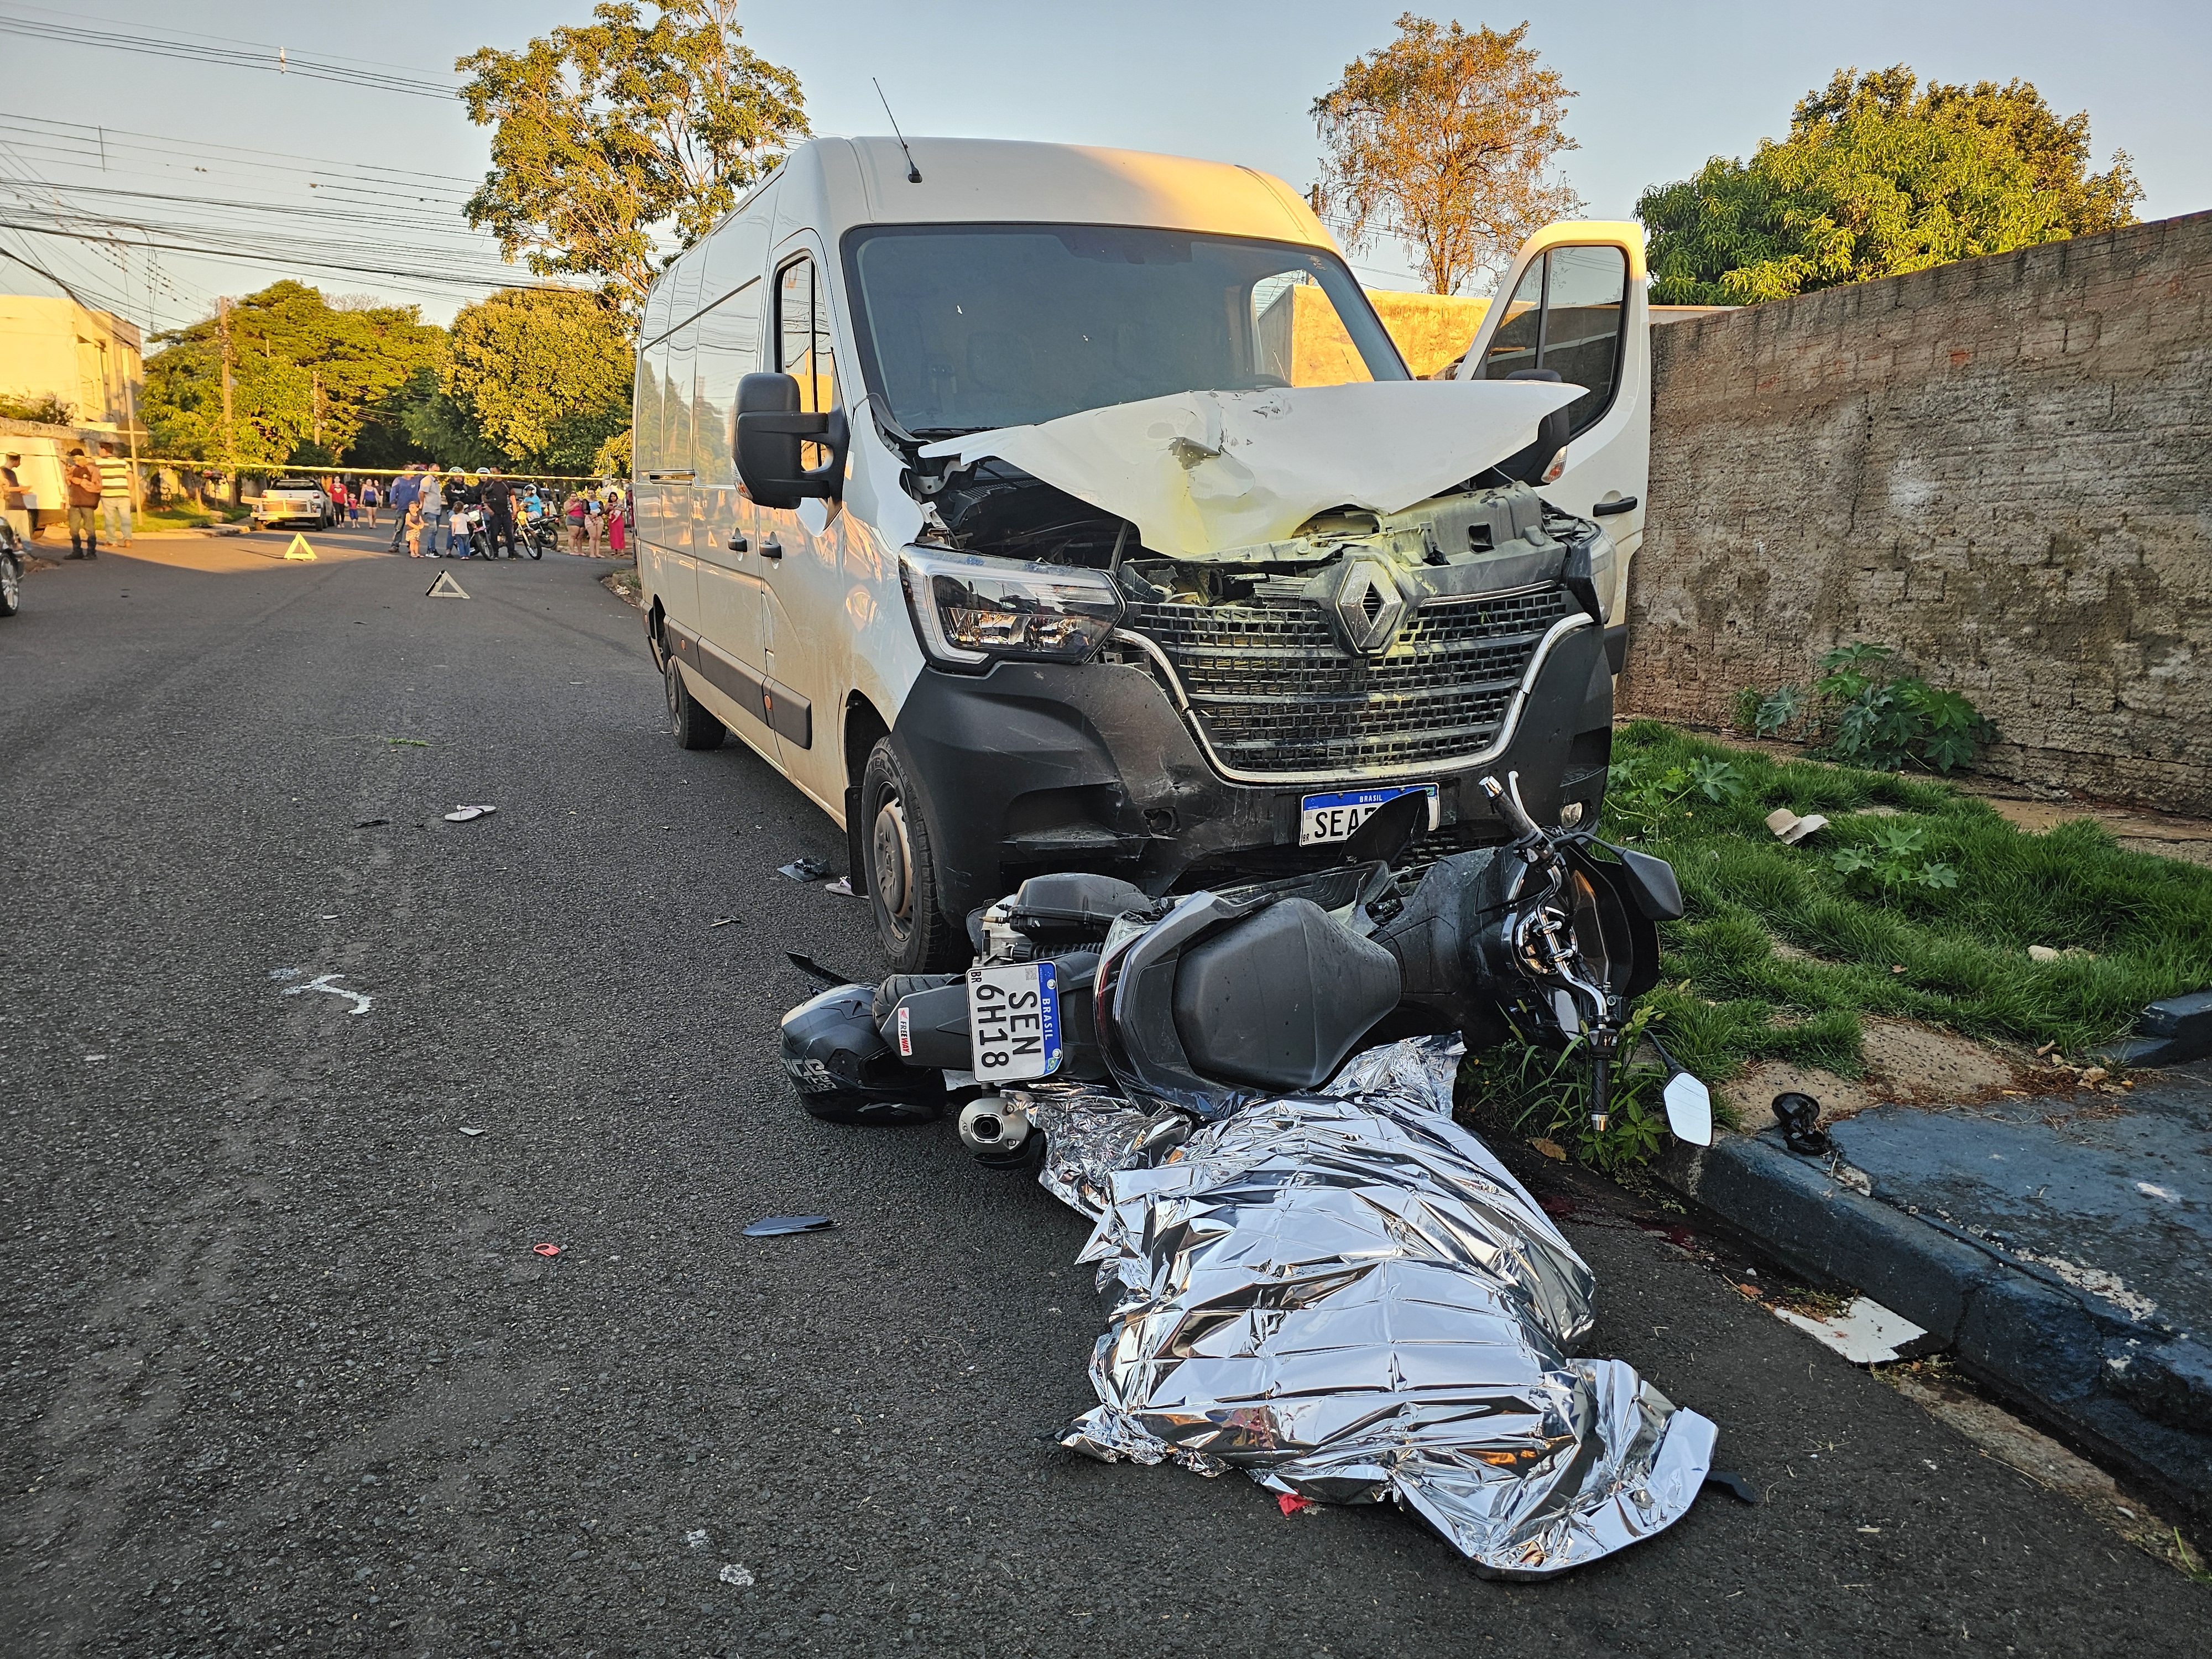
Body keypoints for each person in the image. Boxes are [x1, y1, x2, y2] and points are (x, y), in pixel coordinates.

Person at [64, 445, 101, 559]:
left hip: (88, 503)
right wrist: (68, 474)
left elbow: (98, 487)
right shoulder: (74, 469)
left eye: (78, 459)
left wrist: (81, 482)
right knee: (73, 528)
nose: (76, 462)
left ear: (84, 458)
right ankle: (77, 551)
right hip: (75, 502)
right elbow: (69, 484)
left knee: (89, 528)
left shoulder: (92, 470)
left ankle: (91, 553)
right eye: (74, 460)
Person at [96, 442, 133, 547]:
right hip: (123, 494)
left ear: (104, 450)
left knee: (109, 518)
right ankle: (128, 539)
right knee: (125, 517)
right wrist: (128, 491)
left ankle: (112, 541)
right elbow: (130, 478)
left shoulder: (98, 463)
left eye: (100, 449)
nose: (99, 451)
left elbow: (96, 478)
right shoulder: (123, 463)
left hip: (108, 494)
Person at [385, 465, 421, 552]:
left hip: (414, 508)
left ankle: (411, 546)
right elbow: (393, 491)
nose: (413, 472)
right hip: (402, 506)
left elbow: (426, 472)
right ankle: (395, 545)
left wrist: (418, 466)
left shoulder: (417, 479)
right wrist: (393, 502)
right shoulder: (398, 480)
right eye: (411, 470)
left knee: (413, 528)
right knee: (399, 527)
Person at [482, 467, 515, 558]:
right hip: (494, 513)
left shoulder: (506, 484)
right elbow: (483, 496)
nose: (493, 474)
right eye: (491, 472)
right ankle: (495, 553)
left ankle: (511, 554)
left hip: (506, 512)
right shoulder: (489, 483)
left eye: (494, 472)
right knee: (494, 534)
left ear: (499, 472)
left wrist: (515, 510)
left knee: (509, 534)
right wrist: (488, 509)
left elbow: (512, 496)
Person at [1, 452, 29, 546]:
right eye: (19, 461)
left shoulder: (12, 473)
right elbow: (4, 489)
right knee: (9, 533)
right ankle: (7, 554)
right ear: (14, 461)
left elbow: (13, 488)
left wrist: (21, 490)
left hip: (20, 506)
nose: (20, 464)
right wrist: (20, 489)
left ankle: (27, 554)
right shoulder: (2, 472)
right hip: (11, 507)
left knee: (25, 533)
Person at [419, 465, 447, 556]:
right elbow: (421, 492)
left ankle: (433, 549)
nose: (436, 473)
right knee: (433, 529)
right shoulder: (427, 480)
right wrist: (422, 503)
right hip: (430, 508)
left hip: (437, 509)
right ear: (430, 470)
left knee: (435, 531)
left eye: (438, 471)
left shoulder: (436, 481)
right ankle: (430, 550)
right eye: (435, 470)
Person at [565, 488, 588, 555]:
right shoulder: (568, 503)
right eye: (572, 496)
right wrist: (575, 506)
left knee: (580, 537)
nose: (574, 498)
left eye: (575, 496)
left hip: (582, 519)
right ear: (570, 497)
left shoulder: (580, 502)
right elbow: (567, 510)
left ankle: (580, 551)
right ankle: (572, 551)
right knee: (573, 535)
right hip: (573, 519)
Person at [403, 492, 425, 559]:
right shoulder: (408, 515)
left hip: (417, 531)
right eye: (410, 507)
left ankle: (417, 552)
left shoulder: (418, 516)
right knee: (412, 542)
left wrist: (422, 526)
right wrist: (416, 527)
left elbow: (422, 522)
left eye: (413, 507)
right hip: (411, 531)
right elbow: (408, 522)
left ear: (417, 509)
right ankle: (412, 552)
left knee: (417, 542)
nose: (411, 509)